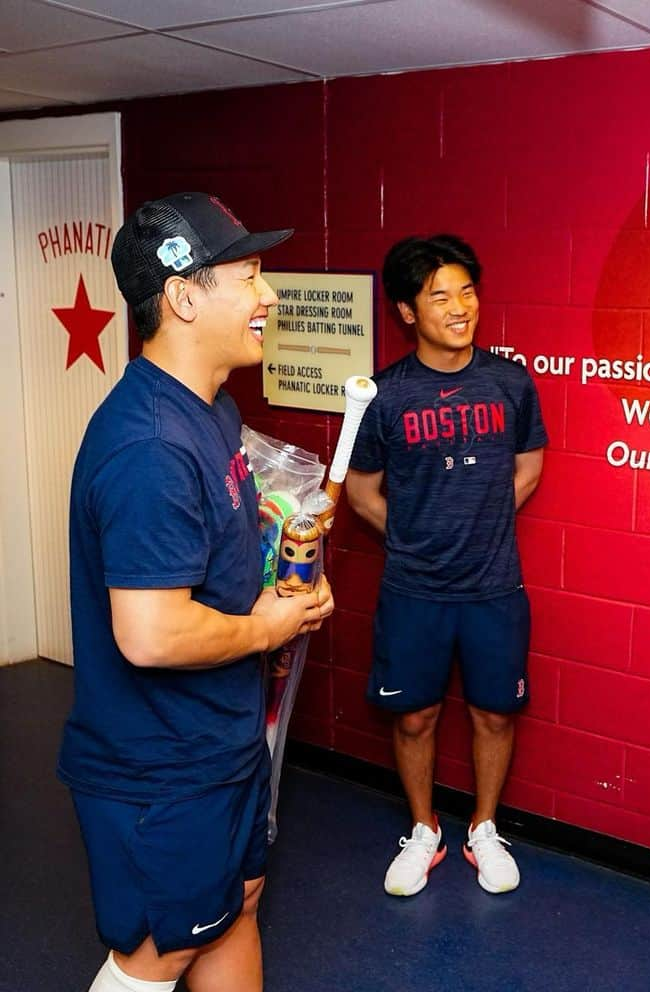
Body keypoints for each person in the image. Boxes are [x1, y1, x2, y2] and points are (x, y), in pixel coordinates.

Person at [58, 192, 334, 992]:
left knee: (239, 903)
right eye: (249, 275)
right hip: (160, 768)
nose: (269, 295)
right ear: (182, 296)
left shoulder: (210, 411)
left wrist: (283, 556)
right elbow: (151, 633)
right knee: (160, 952)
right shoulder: (149, 444)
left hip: (222, 744)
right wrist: (269, 627)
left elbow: (211, 554)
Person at [346, 234, 546, 896]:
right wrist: (417, 534)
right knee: (414, 717)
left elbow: (529, 466)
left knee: (494, 714)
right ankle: (425, 829)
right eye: (440, 295)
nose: (460, 307)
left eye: (467, 291)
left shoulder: (511, 382)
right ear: (407, 310)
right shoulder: (385, 395)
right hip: (414, 589)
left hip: (494, 587)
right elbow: (359, 490)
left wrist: (478, 518)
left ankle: (483, 828)